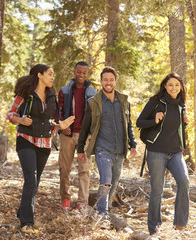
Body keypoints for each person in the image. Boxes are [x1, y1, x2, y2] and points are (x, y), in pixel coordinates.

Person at [7, 64, 74, 234]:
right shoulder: (26, 94)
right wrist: (20, 121)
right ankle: (26, 223)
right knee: (31, 180)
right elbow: (11, 114)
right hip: (26, 140)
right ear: (39, 75)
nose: (52, 77)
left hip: (44, 144)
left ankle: (22, 213)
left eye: (53, 74)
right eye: (49, 74)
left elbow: (49, 123)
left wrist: (60, 125)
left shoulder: (51, 96)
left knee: (34, 185)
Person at [77, 66, 137, 220]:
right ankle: (102, 214)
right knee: (106, 181)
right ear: (101, 81)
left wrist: (133, 145)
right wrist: (81, 149)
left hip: (119, 151)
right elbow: (85, 127)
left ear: (115, 81)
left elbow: (128, 124)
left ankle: (101, 207)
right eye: (105, 80)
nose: (108, 82)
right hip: (102, 149)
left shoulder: (123, 101)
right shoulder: (93, 102)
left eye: (111, 79)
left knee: (114, 183)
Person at [136, 73, 190, 236]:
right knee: (157, 190)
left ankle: (180, 223)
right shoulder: (155, 102)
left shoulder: (181, 105)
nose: (174, 88)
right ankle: (154, 226)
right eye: (170, 85)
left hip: (175, 152)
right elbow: (139, 122)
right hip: (156, 152)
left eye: (177, 85)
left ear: (181, 87)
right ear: (165, 86)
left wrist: (185, 124)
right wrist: (155, 120)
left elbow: (176, 129)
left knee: (184, 181)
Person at [58, 61, 96, 211]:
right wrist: (62, 127)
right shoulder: (65, 91)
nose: (81, 75)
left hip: (84, 137)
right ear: (74, 72)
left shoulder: (92, 93)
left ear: (87, 74)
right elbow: (58, 112)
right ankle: (65, 199)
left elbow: (95, 116)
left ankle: (82, 202)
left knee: (84, 170)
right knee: (64, 169)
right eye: (79, 72)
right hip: (67, 136)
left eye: (84, 73)